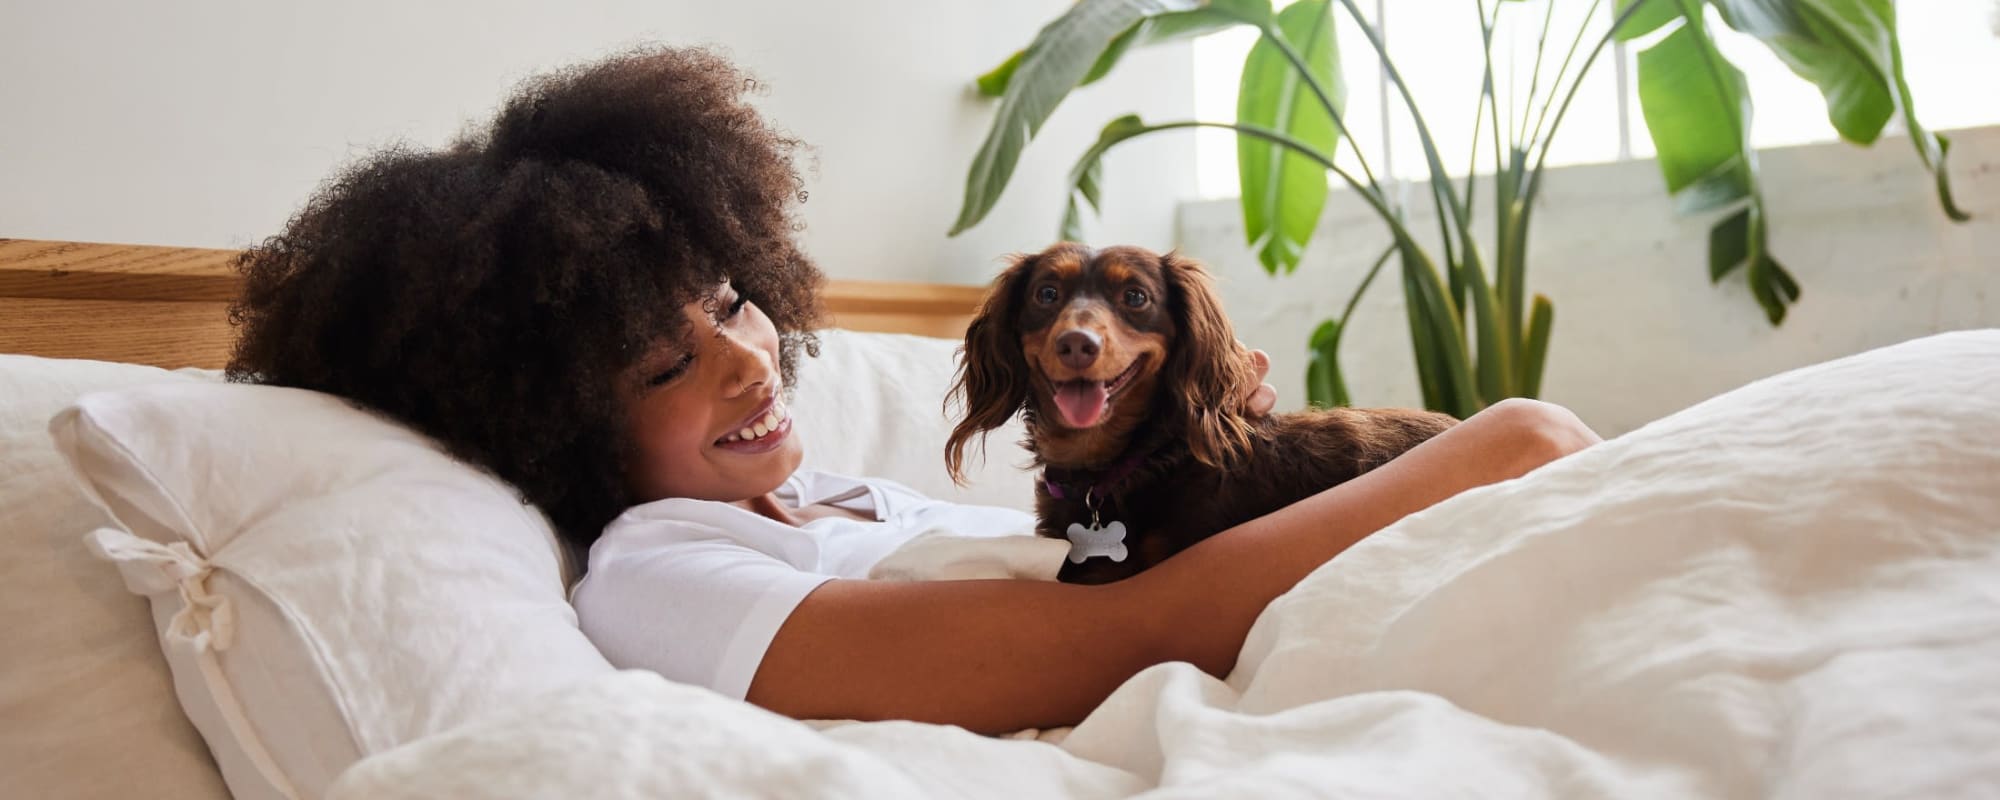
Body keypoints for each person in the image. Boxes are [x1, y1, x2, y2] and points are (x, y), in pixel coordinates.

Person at [226, 46, 1601, 735]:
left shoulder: (836, 497)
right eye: (665, 361)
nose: (752, 357)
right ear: (549, 420)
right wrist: (1493, 446)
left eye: (729, 301)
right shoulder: (659, 572)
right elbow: (1123, 636)